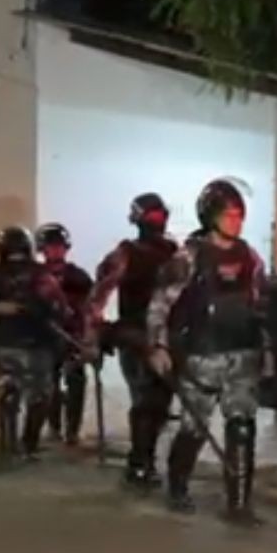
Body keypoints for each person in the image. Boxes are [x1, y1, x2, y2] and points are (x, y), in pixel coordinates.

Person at [147, 179, 271, 525]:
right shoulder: (188, 258)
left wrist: (267, 348)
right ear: (210, 216)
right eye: (228, 215)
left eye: (239, 215)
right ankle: (178, 486)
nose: (236, 222)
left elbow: (261, 304)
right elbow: (160, 305)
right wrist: (158, 346)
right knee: (194, 428)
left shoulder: (250, 257)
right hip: (201, 357)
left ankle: (240, 504)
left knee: (242, 426)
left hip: (242, 354)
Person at [90, 194, 179, 489]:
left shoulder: (175, 252)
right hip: (136, 336)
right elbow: (101, 289)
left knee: (161, 404)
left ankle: (146, 459)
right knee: (145, 401)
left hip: (168, 337)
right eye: (150, 216)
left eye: (158, 215)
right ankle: (140, 463)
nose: (155, 221)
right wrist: (95, 329)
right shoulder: (126, 253)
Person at [0, 226, 74, 462]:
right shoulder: (40, 275)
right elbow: (59, 308)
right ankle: (28, 445)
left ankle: (9, 447)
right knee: (40, 396)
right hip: (36, 345)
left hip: (5, 345)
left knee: (9, 394)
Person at [36, 223, 95, 447]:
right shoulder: (36, 276)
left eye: (59, 246)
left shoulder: (78, 276)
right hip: (45, 339)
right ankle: (53, 427)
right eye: (51, 246)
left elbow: (90, 305)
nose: (56, 251)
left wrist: (88, 335)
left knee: (76, 383)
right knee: (49, 385)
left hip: (72, 338)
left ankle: (72, 430)